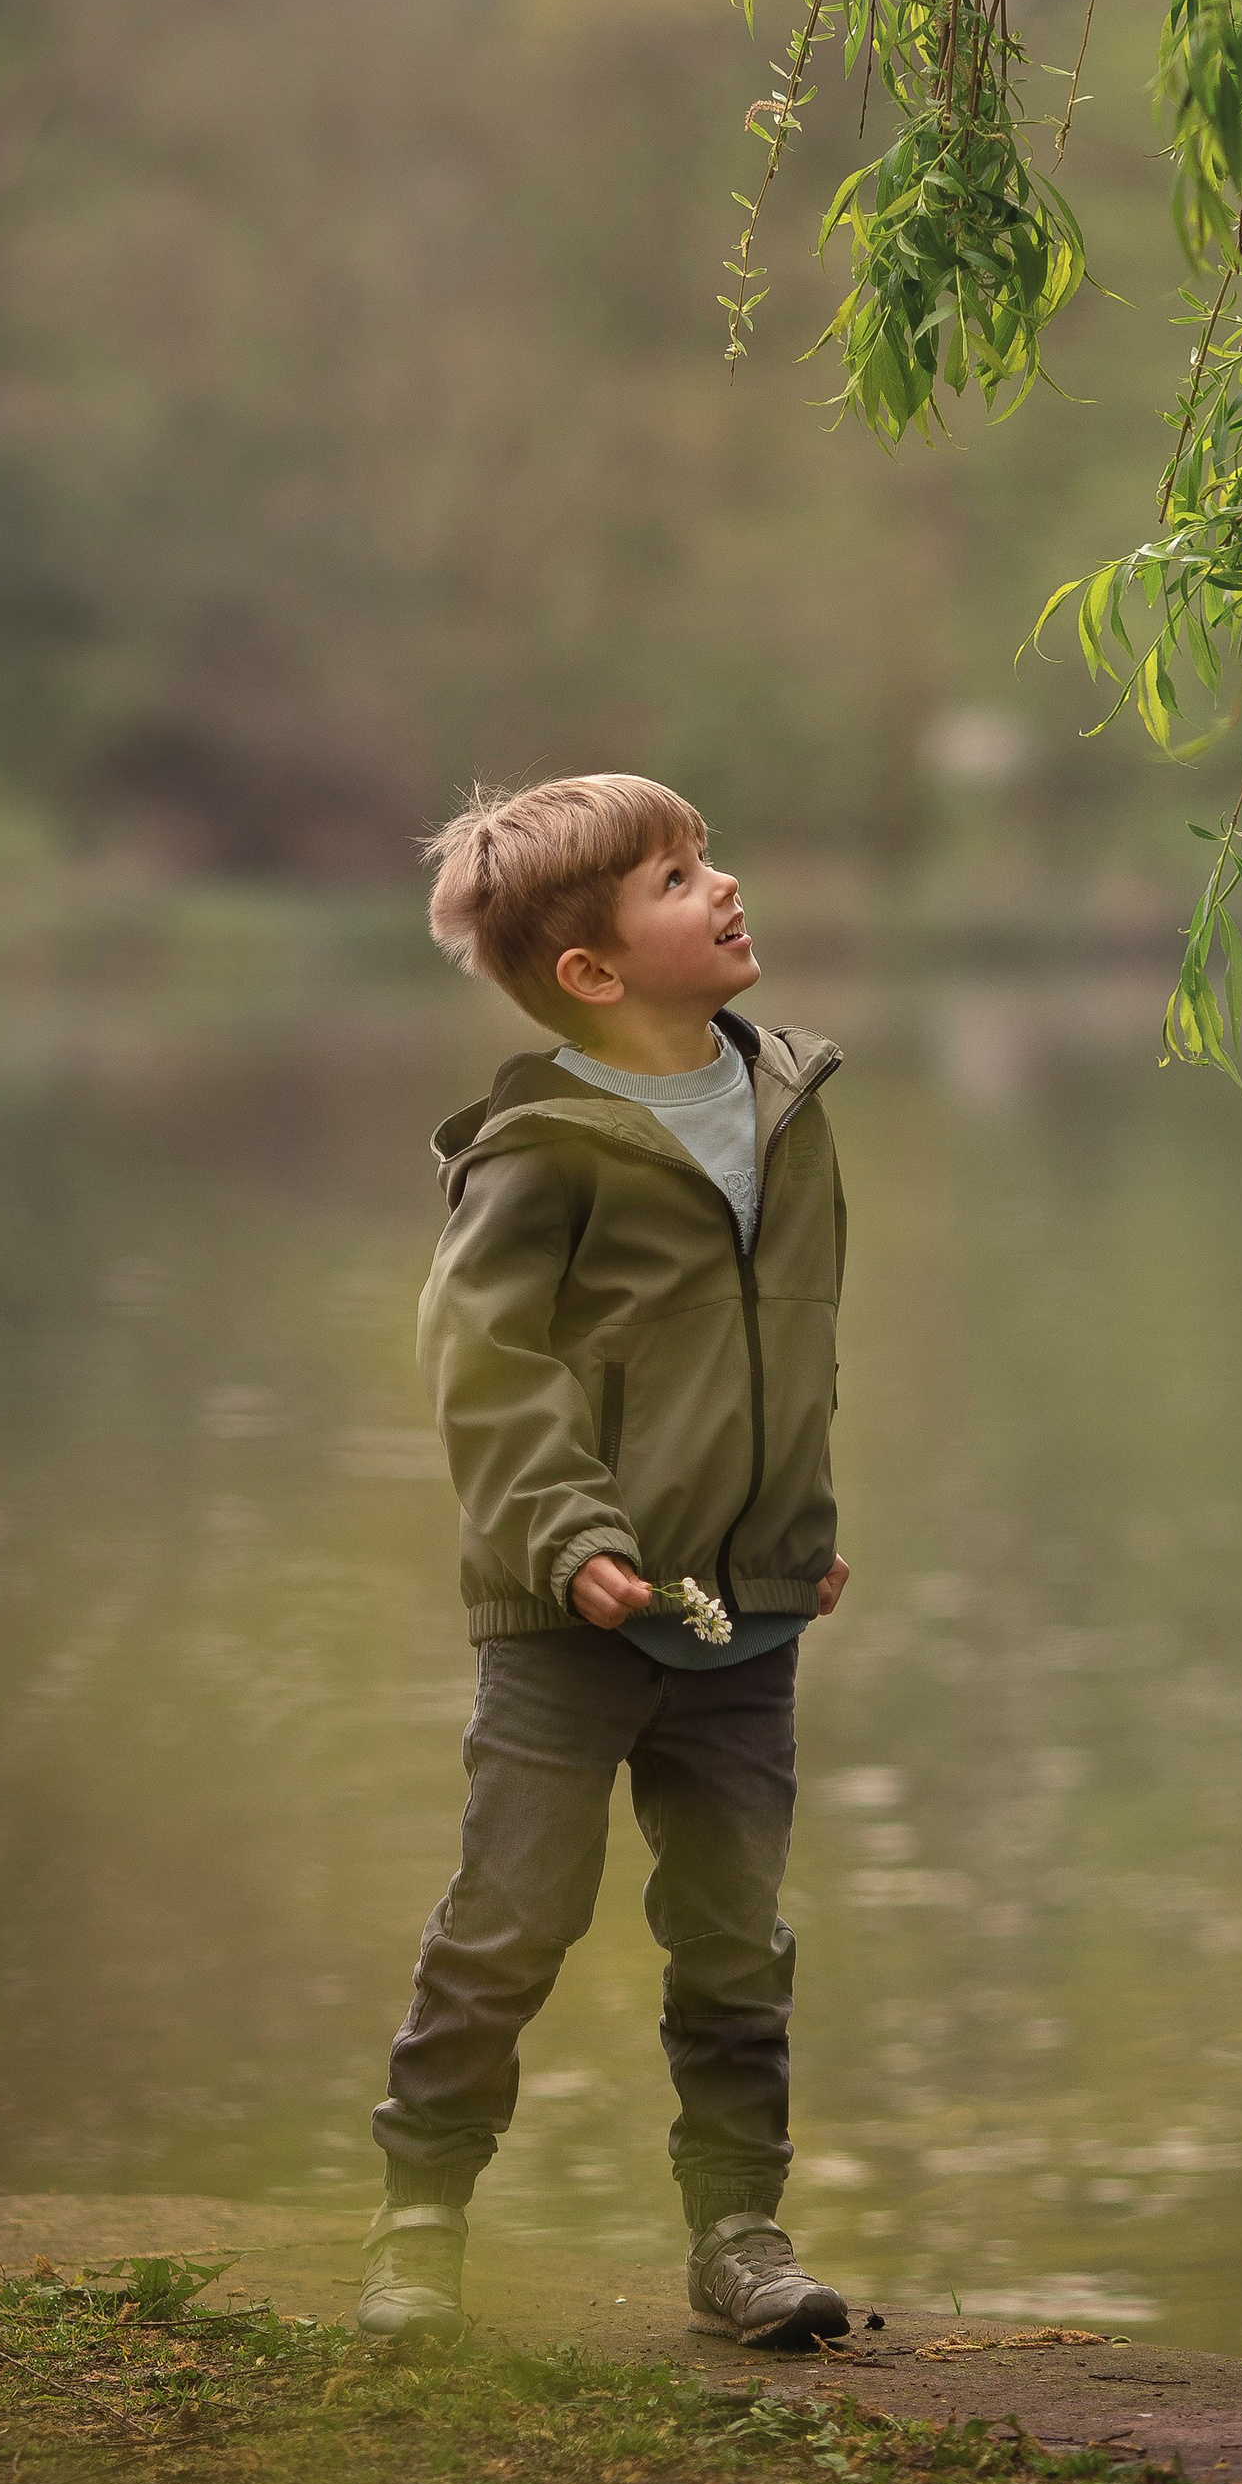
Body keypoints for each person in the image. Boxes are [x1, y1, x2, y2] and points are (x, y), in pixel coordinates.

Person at [361, 771, 853, 2352]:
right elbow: (485, 1369)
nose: (719, 885)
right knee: (512, 1915)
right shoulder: (545, 1145)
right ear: (592, 970)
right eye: (673, 876)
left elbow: (782, 1357)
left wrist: (797, 1535)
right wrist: (570, 1538)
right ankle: (420, 2224)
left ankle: (738, 2232)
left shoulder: (787, 1097)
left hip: (744, 1618)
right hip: (570, 1619)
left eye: (708, 856)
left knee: (734, 1931)